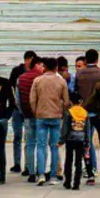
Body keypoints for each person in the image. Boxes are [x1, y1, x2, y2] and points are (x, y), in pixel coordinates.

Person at [29, 56, 67, 184]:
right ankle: (53, 176)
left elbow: (32, 100)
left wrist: (36, 111)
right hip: (56, 116)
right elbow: (66, 101)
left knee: (41, 146)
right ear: (56, 67)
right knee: (55, 146)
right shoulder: (61, 81)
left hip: (41, 116)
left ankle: (40, 174)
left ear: (44, 67)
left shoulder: (37, 80)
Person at [11, 50, 39, 179]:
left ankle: (29, 166)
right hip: (19, 109)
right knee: (17, 136)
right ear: (27, 60)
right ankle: (17, 163)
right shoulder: (17, 71)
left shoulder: (37, 74)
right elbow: (12, 89)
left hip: (28, 111)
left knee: (29, 140)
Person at [61, 99, 89, 190]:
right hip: (81, 139)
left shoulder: (68, 112)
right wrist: (87, 141)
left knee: (68, 160)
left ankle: (67, 182)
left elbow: (65, 128)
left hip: (70, 139)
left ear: (71, 102)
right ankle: (76, 184)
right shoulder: (85, 113)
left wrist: (61, 140)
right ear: (81, 102)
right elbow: (87, 129)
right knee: (79, 162)